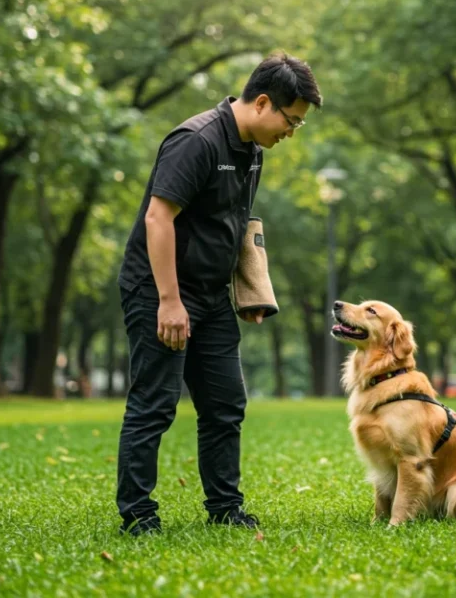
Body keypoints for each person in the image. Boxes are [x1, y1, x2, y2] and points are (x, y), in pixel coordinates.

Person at [115, 53, 322, 534]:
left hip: (210, 297)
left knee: (226, 404)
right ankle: (138, 515)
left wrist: (251, 291)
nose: (291, 131)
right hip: (158, 289)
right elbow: (157, 218)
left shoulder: (253, 151)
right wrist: (169, 301)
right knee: (155, 404)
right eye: (291, 120)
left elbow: (237, 225)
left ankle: (225, 508)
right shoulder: (197, 140)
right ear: (263, 102)